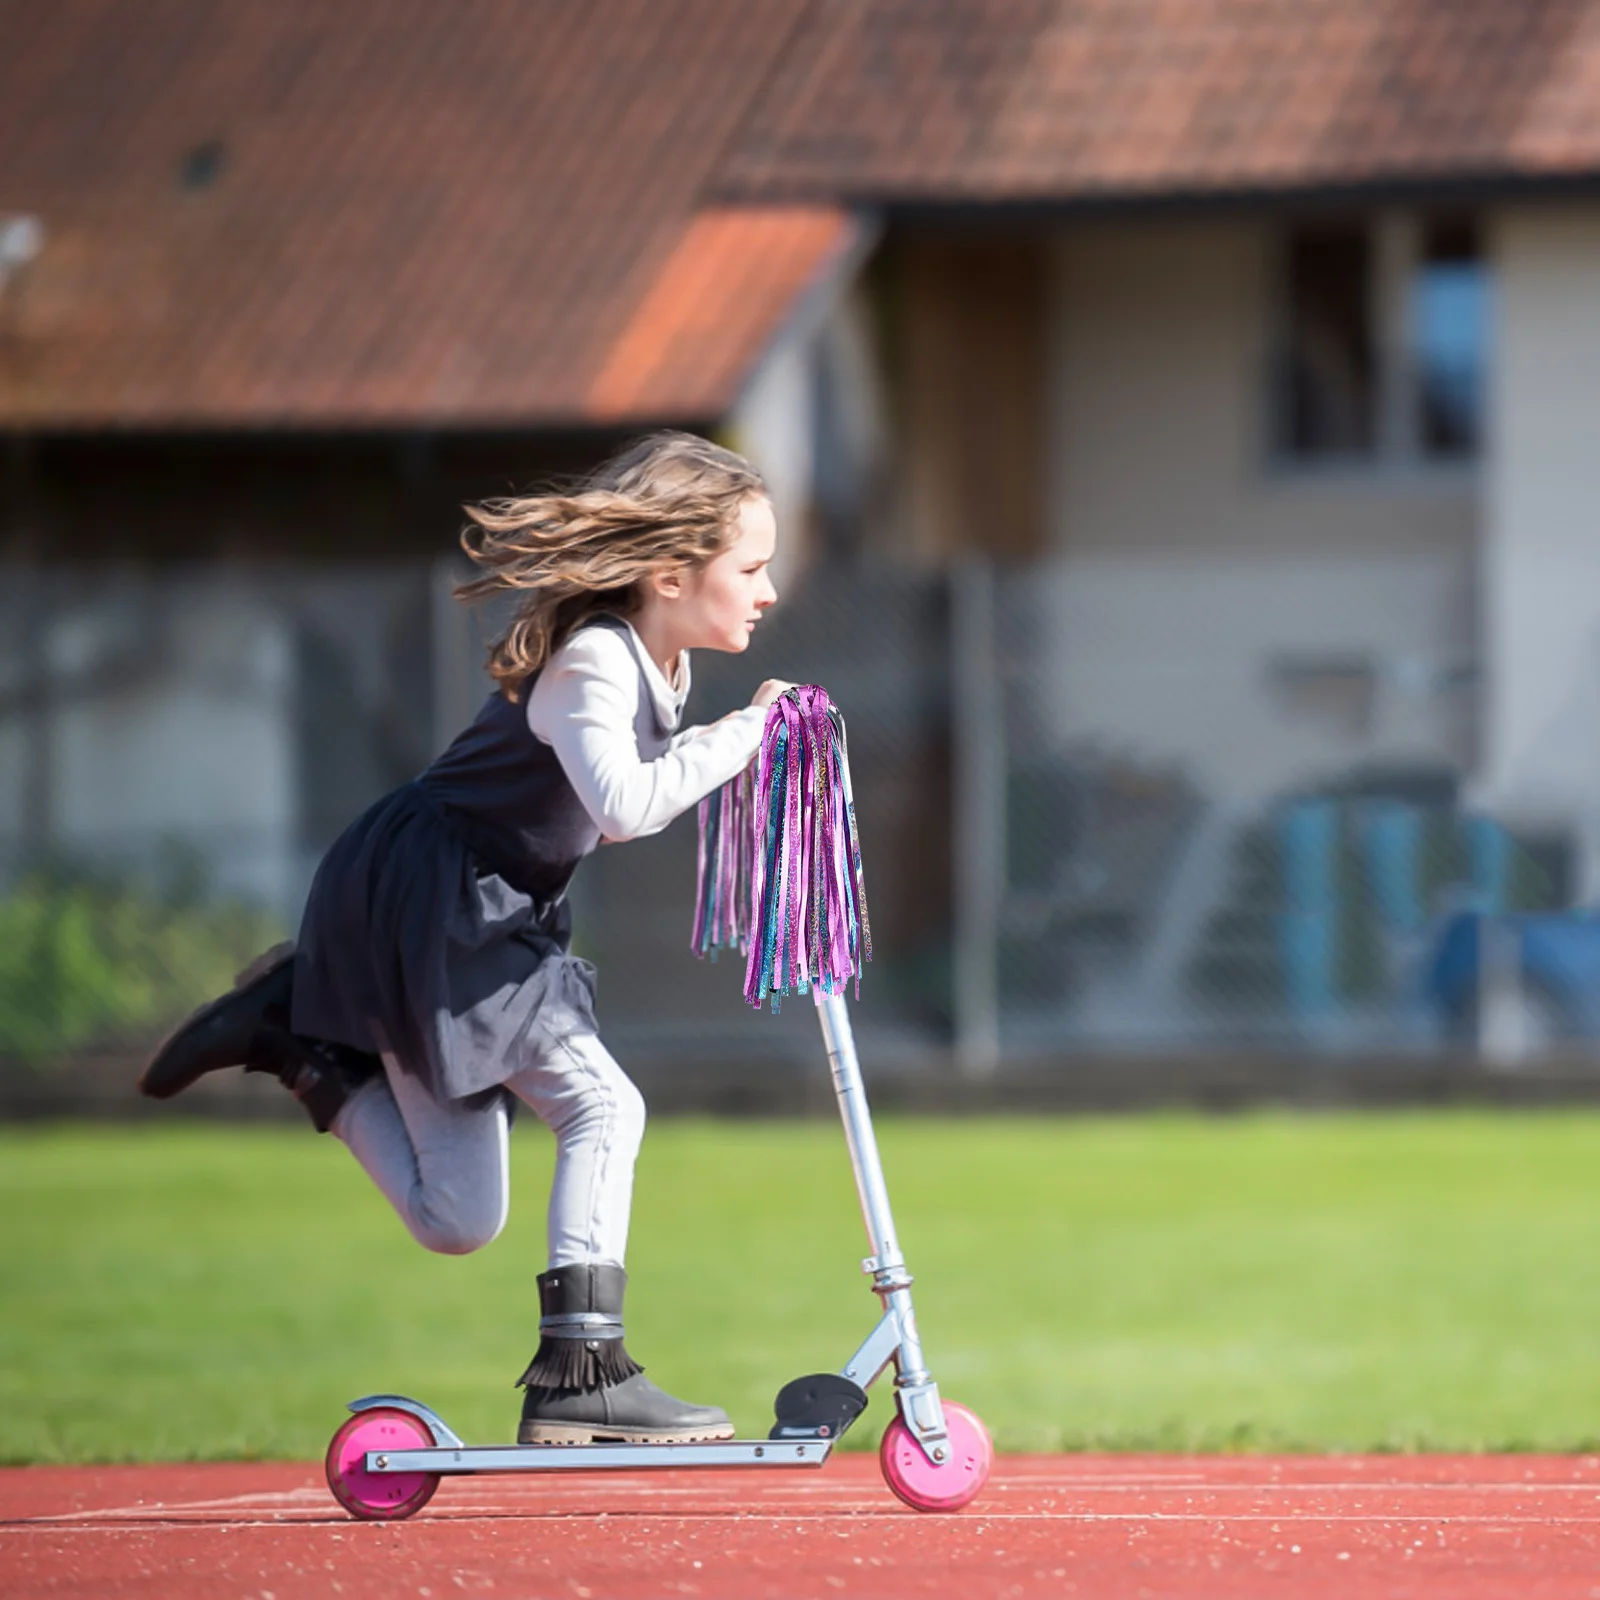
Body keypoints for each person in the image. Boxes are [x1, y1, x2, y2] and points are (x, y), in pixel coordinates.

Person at [138, 432, 791, 1445]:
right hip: (429, 898)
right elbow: (622, 806)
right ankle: (581, 1371)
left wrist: (746, 743)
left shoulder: (663, 664)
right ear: (669, 573)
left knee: (457, 1218)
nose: (770, 589)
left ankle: (299, 1045)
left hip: (478, 906)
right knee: (605, 1106)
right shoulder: (595, 660)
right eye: (750, 567)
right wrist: (741, 738)